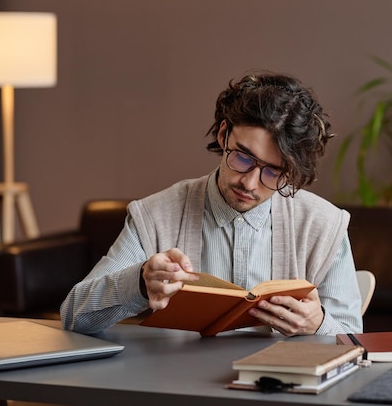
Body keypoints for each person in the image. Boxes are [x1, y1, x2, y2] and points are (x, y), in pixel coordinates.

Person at [60, 71, 363, 336]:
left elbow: (351, 339)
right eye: (243, 156)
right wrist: (139, 283)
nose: (250, 182)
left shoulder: (325, 224)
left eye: (274, 171)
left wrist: (318, 324)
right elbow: (75, 316)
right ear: (222, 134)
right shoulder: (155, 214)